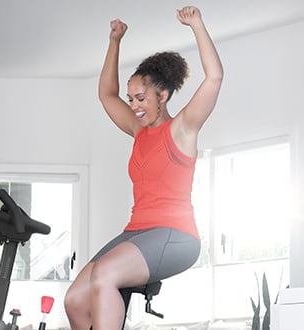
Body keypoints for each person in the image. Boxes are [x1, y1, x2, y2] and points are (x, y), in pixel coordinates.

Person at [64, 6, 222, 330]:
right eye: (131, 99)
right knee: (75, 299)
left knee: (105, 274)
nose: (133, 106)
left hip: (176, 235)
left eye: (140, 98)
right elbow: (106, 94)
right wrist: (114, 41)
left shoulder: (183, 129)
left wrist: (197, 25)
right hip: (137, 231)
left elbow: (215, 77)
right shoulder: (139, 133)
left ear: (162, 95)